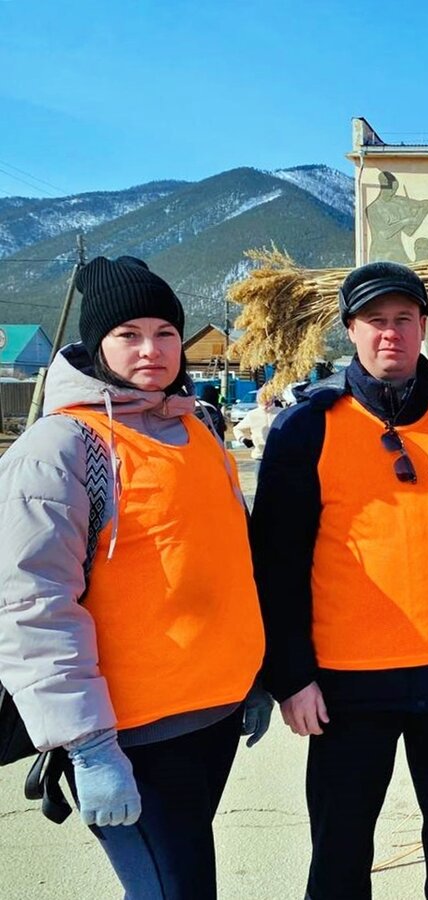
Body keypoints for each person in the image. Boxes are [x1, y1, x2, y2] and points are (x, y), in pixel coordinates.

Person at [250, 261, 428, 900]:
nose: (390, 334)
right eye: (375, 320)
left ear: (423, 326)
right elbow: (277, 563)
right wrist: (290, 676)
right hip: (346, 678)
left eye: (404, 319)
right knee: (341, 850)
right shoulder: (308, 427)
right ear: (350, 329)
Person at [0, 256, 269, 899]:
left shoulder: (198, 428)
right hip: (128, 735)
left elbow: (227, 561)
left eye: (165, 332)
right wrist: (88, 745)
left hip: (212, 717)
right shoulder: (62, 447)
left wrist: (255, 676)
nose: (152, 349)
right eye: (129, 334)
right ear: (98, 345)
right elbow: (33, 605)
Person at [232, 392, 279, 460]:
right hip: (259, 456)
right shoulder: (252, 414)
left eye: (268, 398)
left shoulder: (281, 412)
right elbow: (236, 429)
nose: (266, 401)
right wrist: (243, 439)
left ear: (273, 398)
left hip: (279, 456)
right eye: (262, 399)